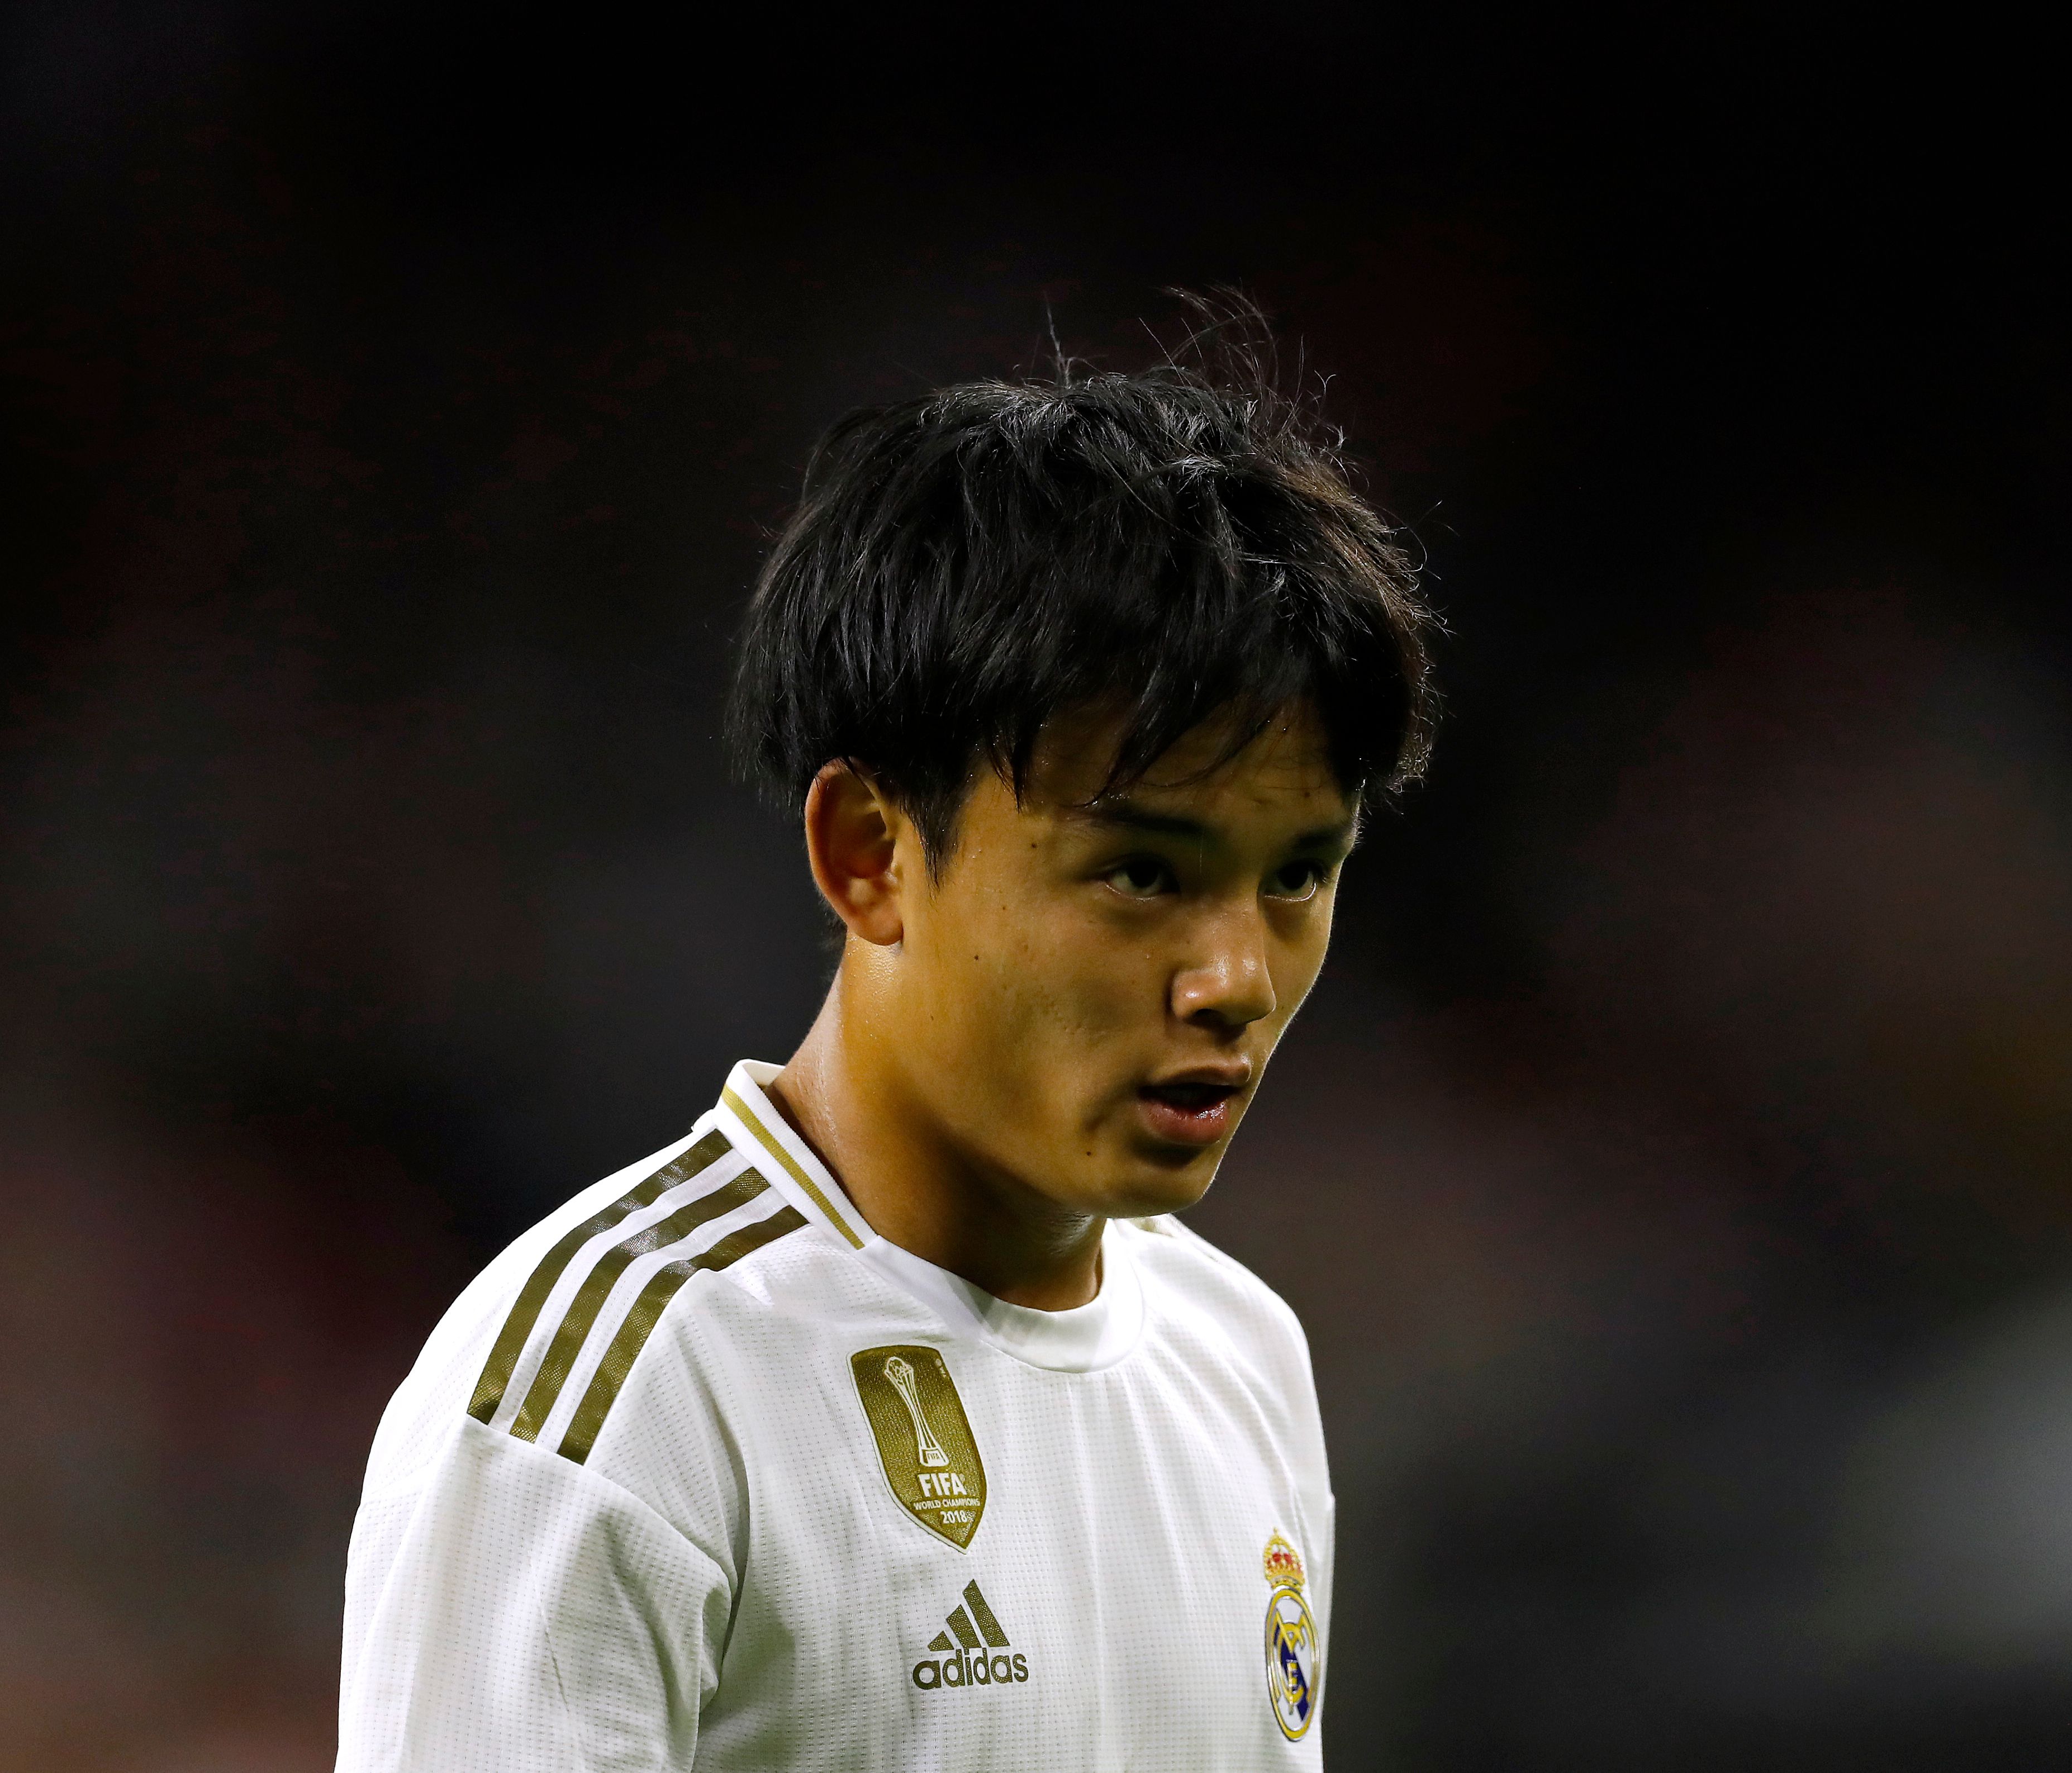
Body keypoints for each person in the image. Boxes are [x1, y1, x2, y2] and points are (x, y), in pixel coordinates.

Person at [335, 304, 1438, 1771]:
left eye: (1297, 872)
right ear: (870, 852)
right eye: (1142, 874)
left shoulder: (1241, 1355)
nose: (1235, 975)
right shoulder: (619, 1391)